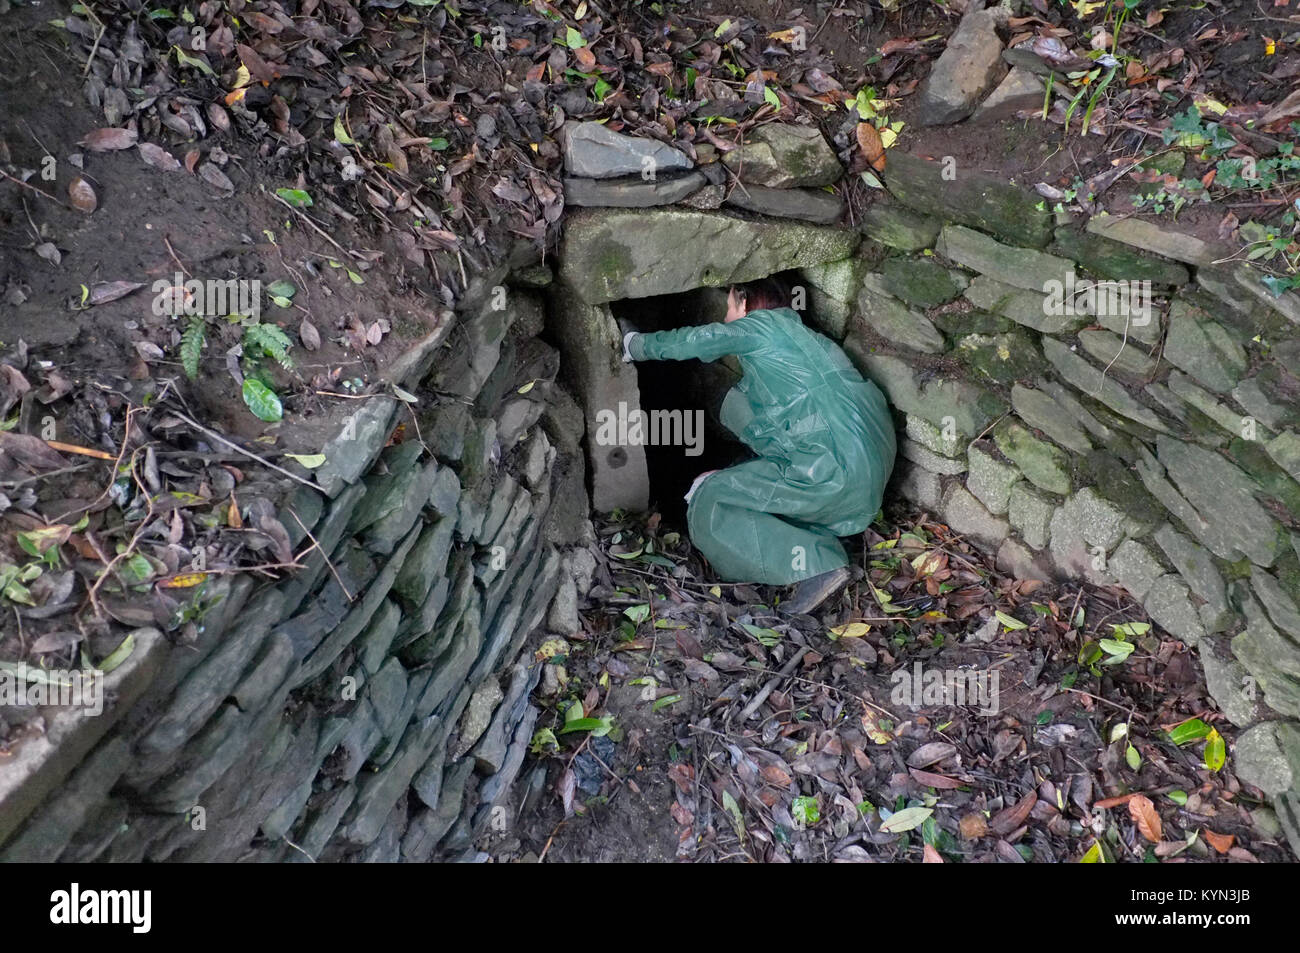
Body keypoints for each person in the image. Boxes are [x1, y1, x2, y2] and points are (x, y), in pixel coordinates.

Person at [622, 277, 896, 614]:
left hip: (833, 475)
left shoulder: (761, 327)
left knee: (710, 499)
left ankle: (818, 564)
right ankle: (811, 533)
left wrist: (635, 344)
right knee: (738, 409)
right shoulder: (809, 339)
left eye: (729, 308)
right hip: (867, 480)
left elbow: (699, 339)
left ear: (745, 303)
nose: (726, 318)